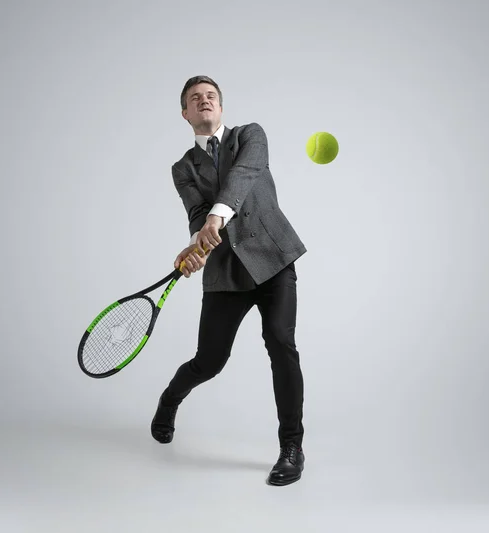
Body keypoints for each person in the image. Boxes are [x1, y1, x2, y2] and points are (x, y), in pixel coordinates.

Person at [151, 75, 307, 486]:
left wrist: (215, 219)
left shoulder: (250, 136)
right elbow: (197, 213)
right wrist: (194, 248)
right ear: (185, 113)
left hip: (273, 260)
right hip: (226, 271)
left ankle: (292, 447)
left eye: (211, 96)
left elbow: (243, 177)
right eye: (194, 99)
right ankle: (170, 400)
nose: (204, 101)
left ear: (220, 107)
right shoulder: (182, 167)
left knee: (280, 341)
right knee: (210, 361)